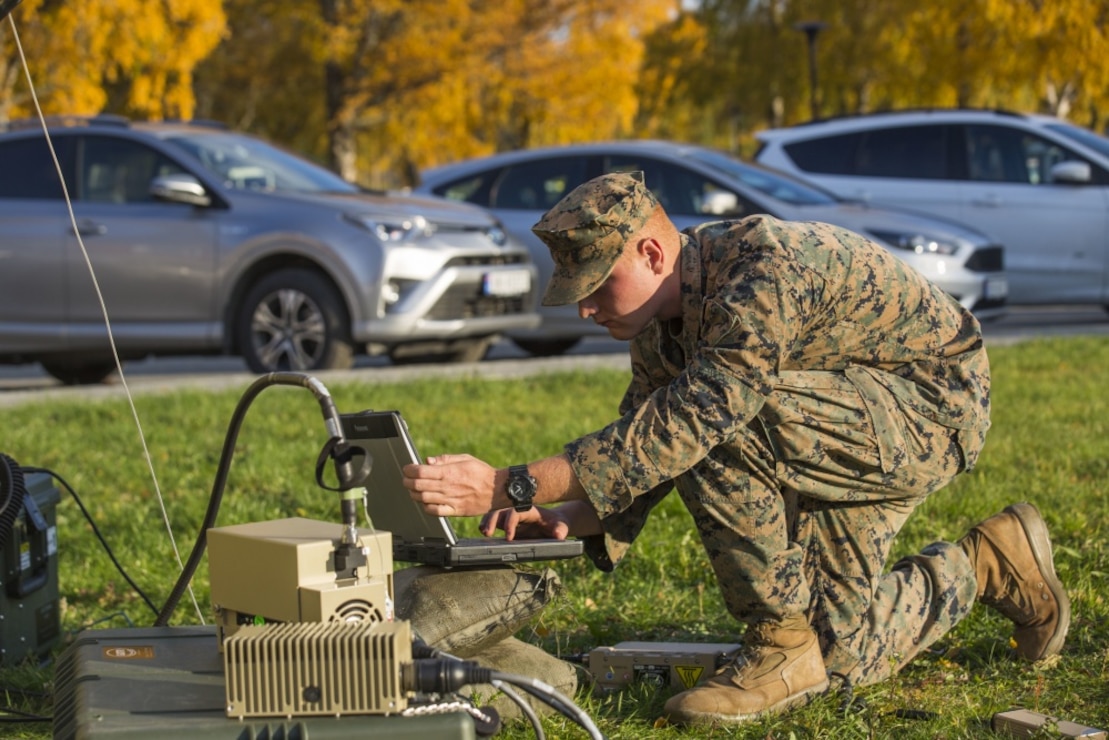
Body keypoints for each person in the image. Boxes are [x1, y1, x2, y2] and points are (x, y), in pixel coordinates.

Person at [402, 171, 1070, 726]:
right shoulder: (656, 325)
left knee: (719, 419)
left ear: (652, 256)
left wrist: (511, 484)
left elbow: (700, 415)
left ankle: (776, 642)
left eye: (597, 286)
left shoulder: (761, 272)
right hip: (839, 421)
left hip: (930, 411)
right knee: (839, 659)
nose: (585, 310)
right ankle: (989, 562)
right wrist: (578, 517)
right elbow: (647, 435)